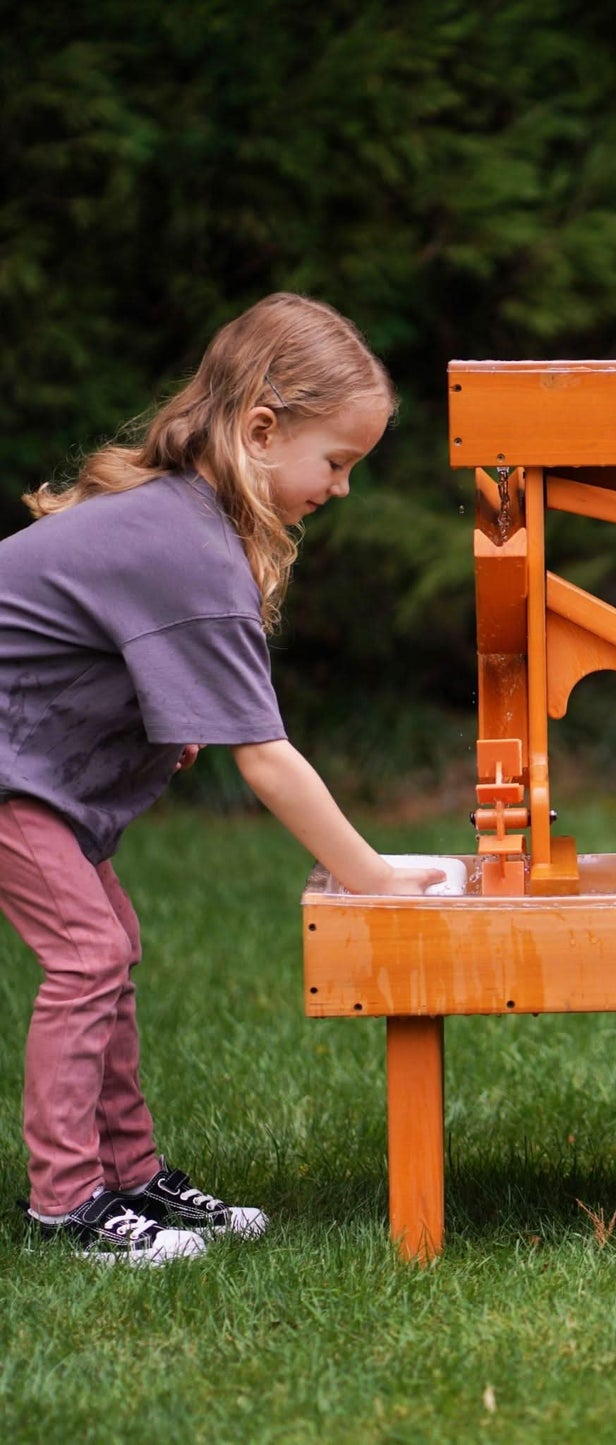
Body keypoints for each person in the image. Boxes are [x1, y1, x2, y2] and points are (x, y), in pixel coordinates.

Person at [0, 293, 445, 1265]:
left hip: (29, 768)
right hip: (10, 773)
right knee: (87, 955)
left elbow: (100, 649)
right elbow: (268, 758)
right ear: (259, 429)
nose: (341, 489)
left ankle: (129, 1172)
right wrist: (368, 874)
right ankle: (65, 1202)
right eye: (336, 462)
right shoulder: (188, 541)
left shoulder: (183, 522)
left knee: (110, 944)